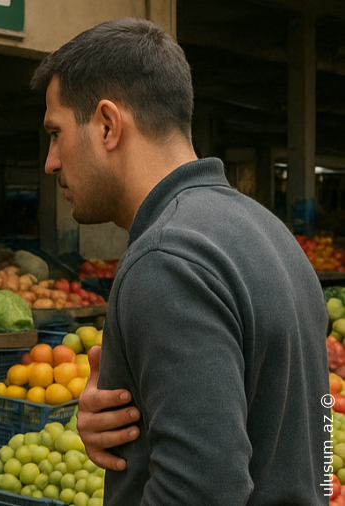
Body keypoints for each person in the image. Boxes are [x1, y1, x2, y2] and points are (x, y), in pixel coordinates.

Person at [30, 18, 328, 504]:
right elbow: (312, 430)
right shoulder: (271, 234)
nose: (51, 162)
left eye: (56, 133)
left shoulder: (166, 259)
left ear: (107, 124)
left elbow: (202, 487)